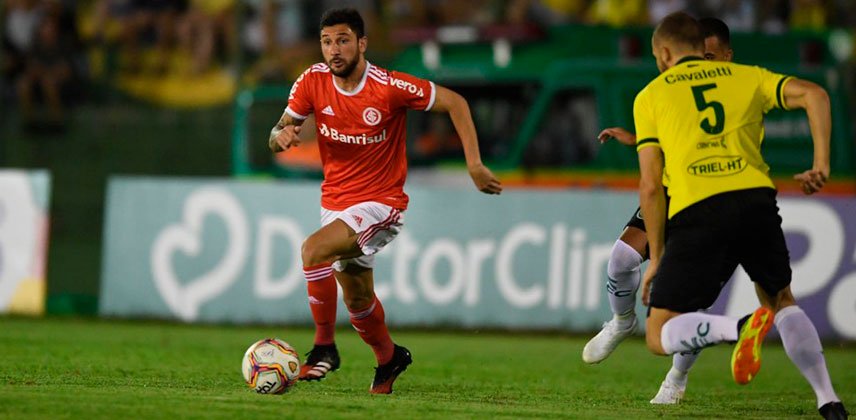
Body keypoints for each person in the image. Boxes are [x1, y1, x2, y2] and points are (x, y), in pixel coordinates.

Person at [268, 8, 502, 395]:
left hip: (381, 203)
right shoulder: (312, 81)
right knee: (358, 298)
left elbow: (456, 103)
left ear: (361, 43)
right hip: (336, 202)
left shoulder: (388, 86)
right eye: (327, 41)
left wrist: (473, 164)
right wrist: (282, 137)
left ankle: (324, 348)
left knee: (313, 250)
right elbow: (277, 131)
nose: (334, 50)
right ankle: (389, 357)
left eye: (343, 40)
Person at [635, 12, 847, 419]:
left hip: (698, 208)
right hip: (756, 201)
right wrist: (820, 163)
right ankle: (828, 399)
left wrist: (658, 256)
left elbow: (649, 185)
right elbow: (815, 94)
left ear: (663, 53)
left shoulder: (651, 95)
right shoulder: (745, 76)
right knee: (782, 299)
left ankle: (739, 327)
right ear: (705, 47)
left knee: (658, 332)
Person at [583, 17, 734, 405]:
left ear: (727, 56)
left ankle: (677, 379)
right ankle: (621, 321)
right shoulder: (675, 90)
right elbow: (676, 135)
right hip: (672, 191)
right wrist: (636, 139)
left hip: (716, 201)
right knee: (621, 258)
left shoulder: (738, 91)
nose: (701, 62)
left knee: (692, 304)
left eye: (710, 55)